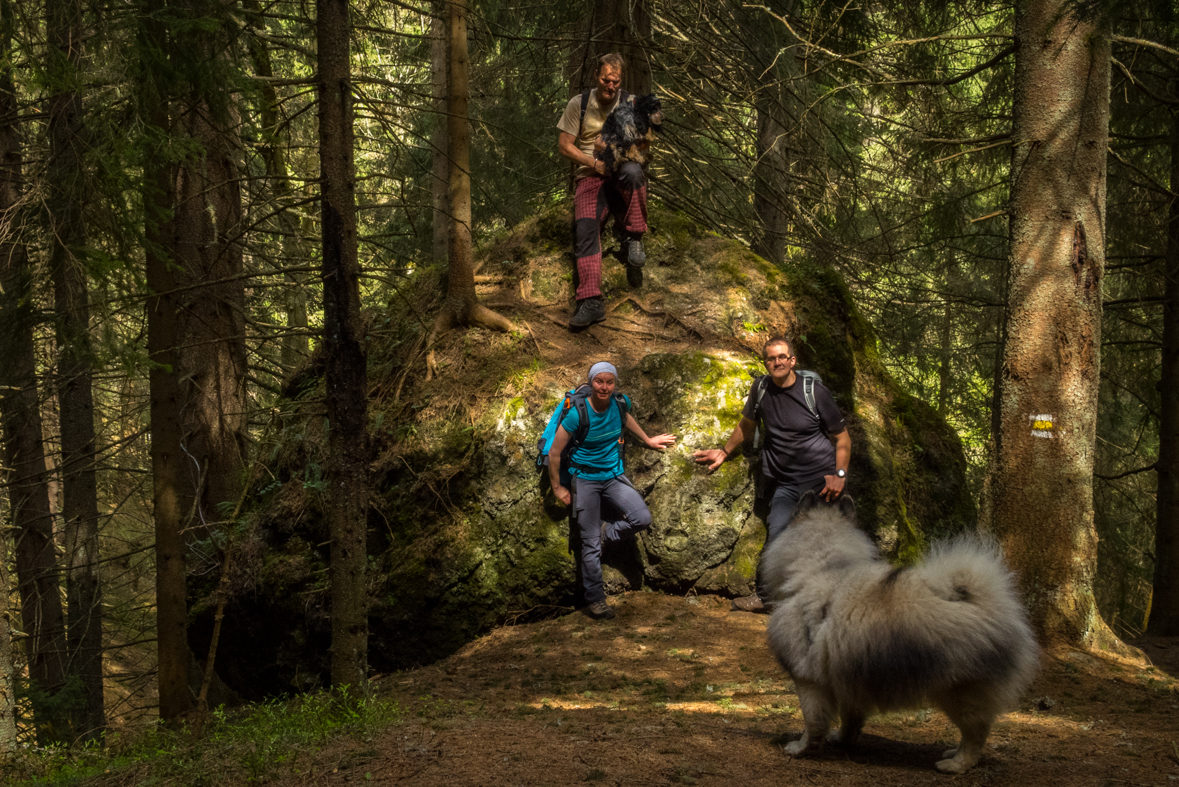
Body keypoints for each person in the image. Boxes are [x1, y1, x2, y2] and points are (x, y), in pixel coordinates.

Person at [693, 337, 851, 613]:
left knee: (826, 538)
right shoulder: (761, 388)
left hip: (821, 479)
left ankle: (832, 600)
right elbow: (747, 423)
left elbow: (843, 438)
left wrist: (839, 474)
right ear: (766, 363)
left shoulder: (814, 391)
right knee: (777, 535)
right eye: (771, 358)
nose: (777, 362)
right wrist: (724, 451)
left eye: (782, 357)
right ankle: (767, 597)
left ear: (792, 361)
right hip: (786, 482)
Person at [549, 362, 676, 620]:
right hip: (584, 479)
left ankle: (606, 533)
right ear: (592, 382)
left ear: (614, 383)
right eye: (599, 382)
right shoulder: (577, 414)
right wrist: (557, 488)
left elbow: (625, 417)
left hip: (613, 476)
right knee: (589, 545)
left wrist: (648, 439)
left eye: (609, 382)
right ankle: (595, 600)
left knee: (642, 517)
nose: (604, 387)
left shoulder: (620, 403)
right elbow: (554, 452)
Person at [556, 54, 649, 329]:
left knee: (634, 173)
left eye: (615, 81)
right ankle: (590, 301)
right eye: (605, 80)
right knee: (585, 227)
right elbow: (564, 145)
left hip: (621, 167)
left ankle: (634, 238)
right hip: (590, 174)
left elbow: (644, 145)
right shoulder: (580, 104)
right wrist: (594, 164)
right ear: (596, 76)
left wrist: (620, 147)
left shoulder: (631, 104)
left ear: (622, 81)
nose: (609, 86)